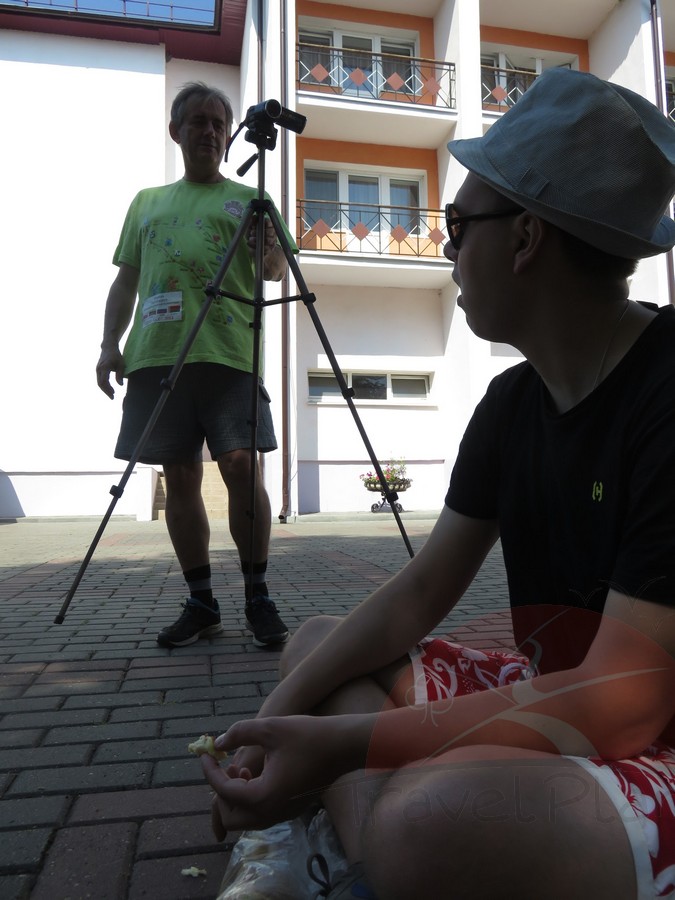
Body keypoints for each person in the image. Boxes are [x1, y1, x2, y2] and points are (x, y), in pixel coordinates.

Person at [201, 69, 675, 899]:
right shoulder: (512, 403)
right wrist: (272, 722)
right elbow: (420, 592)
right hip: (568, 704)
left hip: (651, 737)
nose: (448, 250)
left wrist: (344, 748)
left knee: (425, 818)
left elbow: (626, 703)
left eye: (457, 224)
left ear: (524, 239)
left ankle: (371, 844)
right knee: (314, 650)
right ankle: (375, 853)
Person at [96, 82, 294, 649]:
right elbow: (126, 281)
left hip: (230, 352)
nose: (209, 131)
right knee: (179, 475)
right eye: (198, 121)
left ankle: (257, 596)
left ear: (229, 137)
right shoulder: (147, 202)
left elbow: (277, 271)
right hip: (157, 356)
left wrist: (265, 248)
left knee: (241, 467)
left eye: (218, 124)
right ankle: (202, 602)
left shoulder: (252, 198)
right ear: (176, 131)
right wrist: (109, 344)